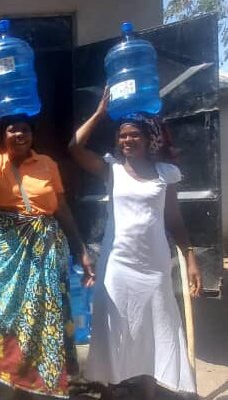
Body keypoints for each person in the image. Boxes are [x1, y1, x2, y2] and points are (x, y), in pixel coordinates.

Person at [0, 89, 94, 400]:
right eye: (12, 128)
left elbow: (61, 209)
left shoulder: (47, 163)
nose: (19, 133)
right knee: (2, 314)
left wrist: (82, 249)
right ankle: (4, 381)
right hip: (6, 251)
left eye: (24, 128)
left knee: (42, 316)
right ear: (3, 134)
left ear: (32, 133)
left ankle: (38, 385)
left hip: (46, 251)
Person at [68, 89, 202, 400]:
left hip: (153, 266)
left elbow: (174, 220)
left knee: (154, 325)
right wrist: (101, 112)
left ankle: (147, 390)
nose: (127, 141)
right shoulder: (111, 169)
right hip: (117, 266)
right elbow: (74, 147)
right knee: (115, 326)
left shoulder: (165, 174)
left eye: (134, 136)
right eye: (122, 136)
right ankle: (113, 387)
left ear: (149, 139)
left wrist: (191, 258)